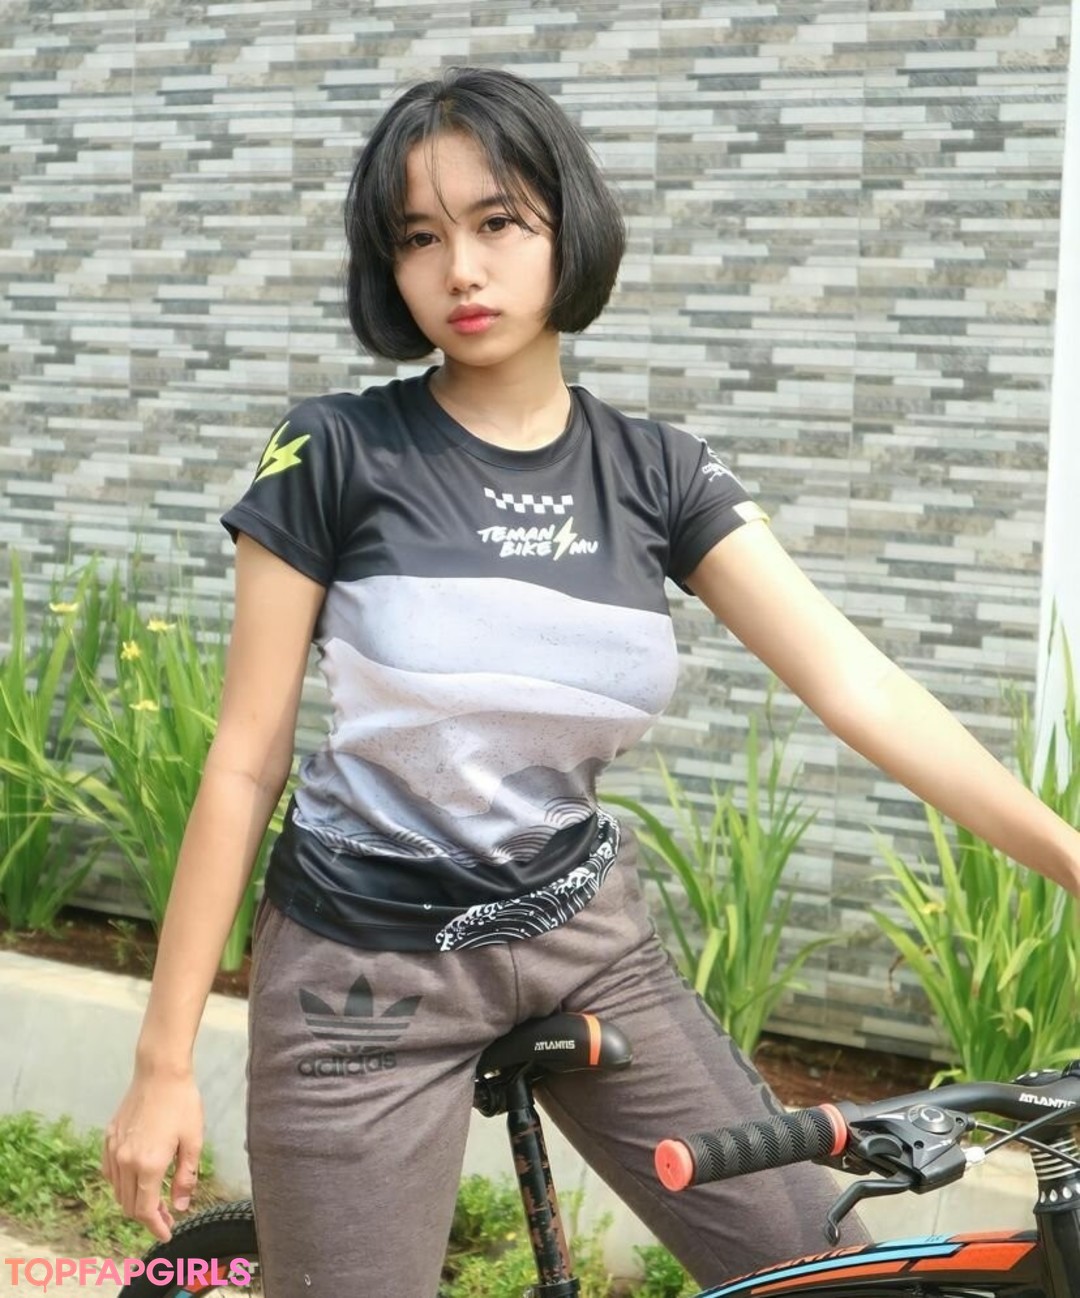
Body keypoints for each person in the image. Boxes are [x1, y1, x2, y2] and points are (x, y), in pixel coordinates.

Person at [102, 65, 1080, 1296]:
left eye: (498, 222)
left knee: (832, 1276)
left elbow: (858, 683)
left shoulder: (658, 471)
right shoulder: (337, 449)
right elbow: (245, 762)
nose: (462, 269)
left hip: (584, 938)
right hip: (363, 968)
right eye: (420, 237)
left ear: (569, 229)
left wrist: (1072, 858)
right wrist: (163, 1058)